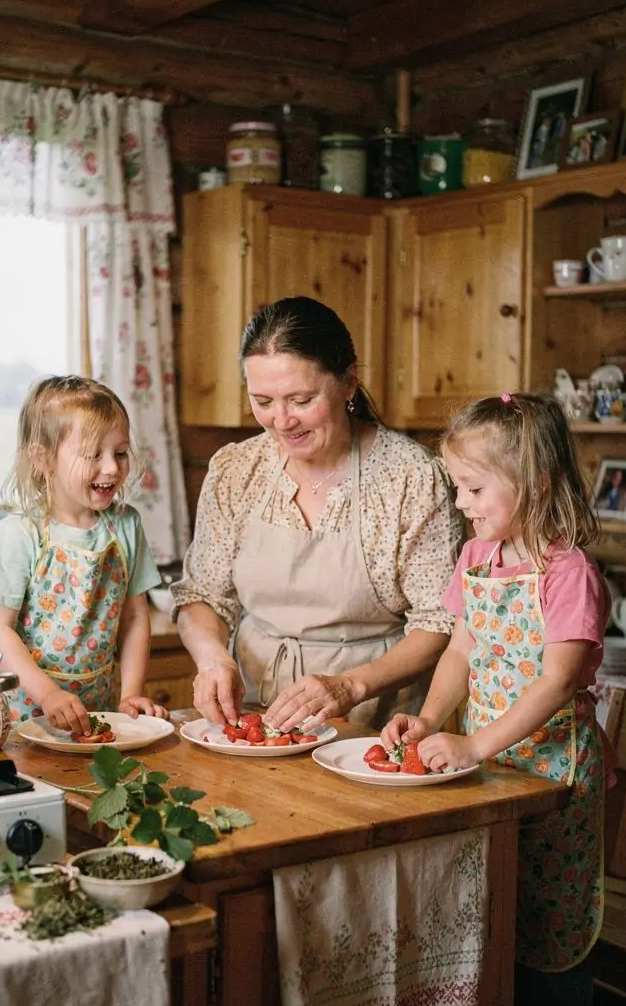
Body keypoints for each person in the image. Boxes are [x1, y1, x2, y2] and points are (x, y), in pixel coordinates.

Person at [380, 391, 611, 1006]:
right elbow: (459, 654)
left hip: (553, 783)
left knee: (555, 940)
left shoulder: (567, 573)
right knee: (497, 925)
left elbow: (554, 683)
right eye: (457, 486)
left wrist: (476, 747)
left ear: (535, 486)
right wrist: (434, 720)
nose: (460, 502)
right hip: (493, 776)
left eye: (473, 489)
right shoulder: (477, 559)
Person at [171, 296, 463, 731]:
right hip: (254, 715)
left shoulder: (411, 477)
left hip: (372, 724)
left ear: (347, 384)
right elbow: (203, 596)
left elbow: (439, 622)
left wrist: (348, 687)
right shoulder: (236, 470)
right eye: (263, 401)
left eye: (301, 399)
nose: (282, 420)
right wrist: (213, 659)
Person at [0, 375, 166, 735]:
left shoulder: (125, 526)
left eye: (120, 453)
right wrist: (49, 695)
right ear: (42, 458)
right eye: (94, 454)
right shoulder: (18, 536)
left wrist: (131, 695)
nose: (111, 468)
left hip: (102, 711)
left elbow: (135, 617)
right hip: (26, 716)